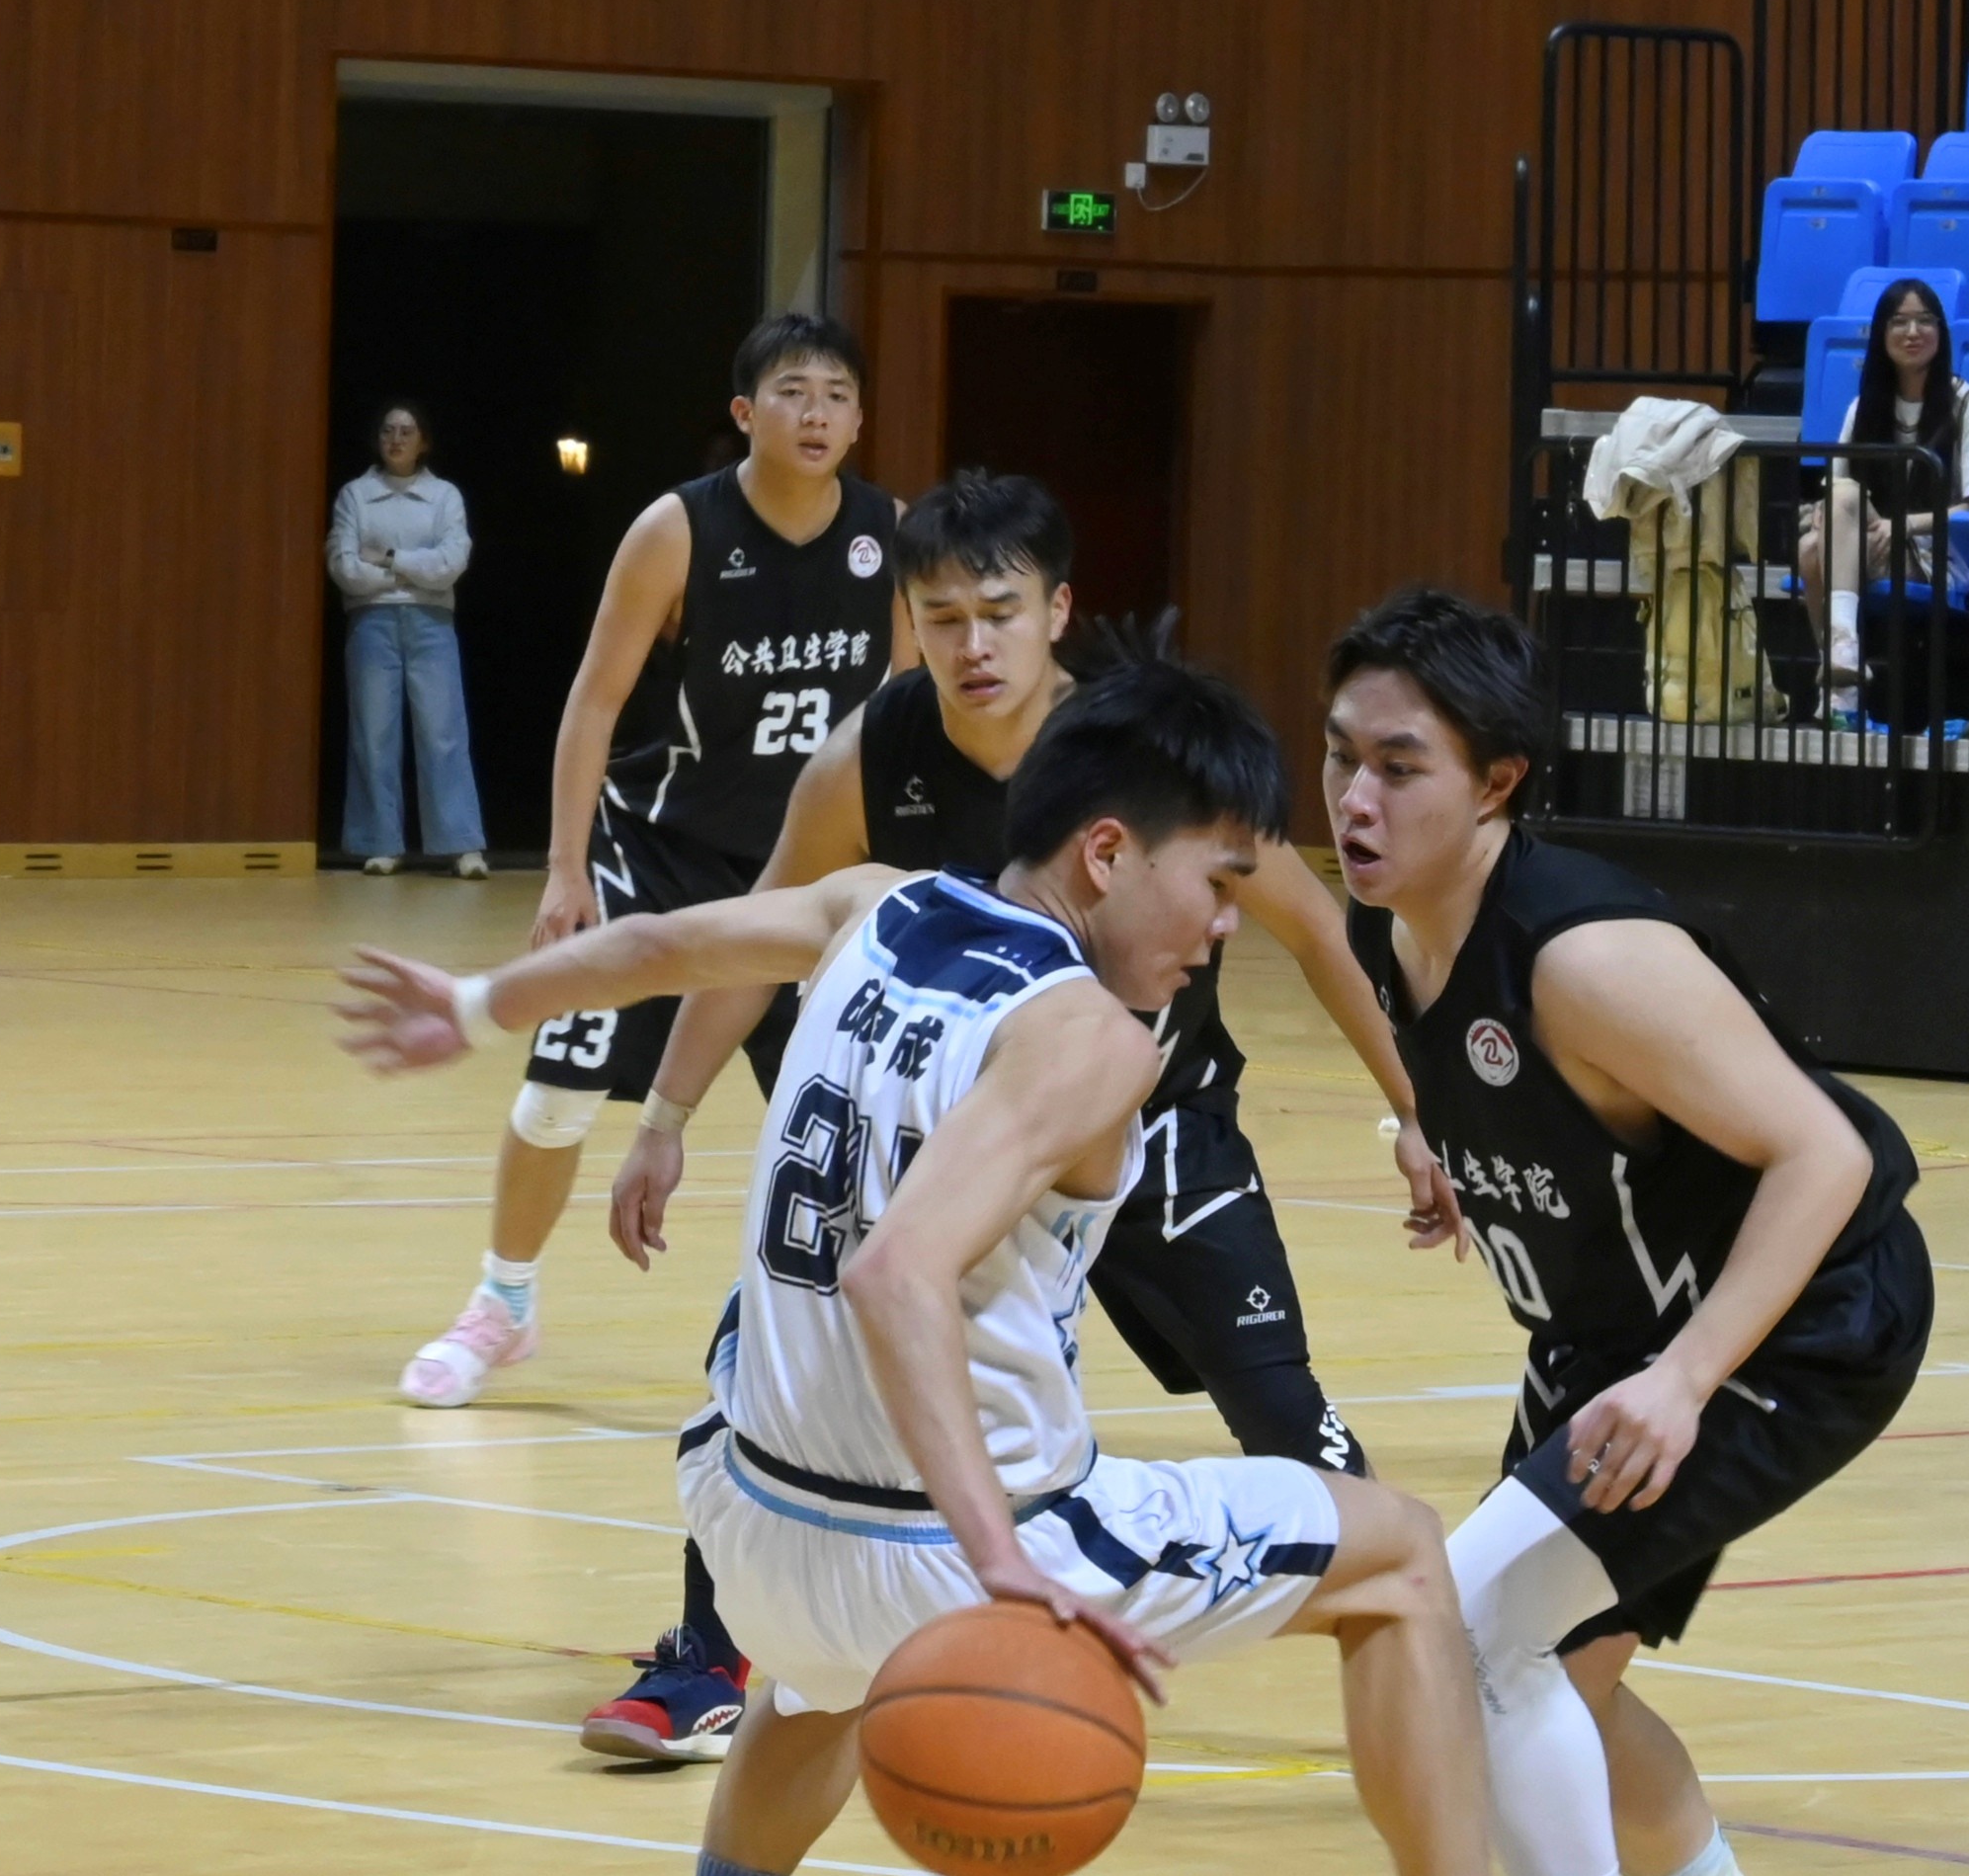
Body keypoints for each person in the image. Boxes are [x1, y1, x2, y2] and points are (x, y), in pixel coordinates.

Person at [338, 662, 1739, 1876]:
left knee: (812, 1687)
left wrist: (478, 1002)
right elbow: (896, 1272)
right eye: (1215, 882)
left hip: (751, 1523)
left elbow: (670, 943)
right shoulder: (1089, 1039)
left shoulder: (875, 904)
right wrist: (999, 1559)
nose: (1222, 927)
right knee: (1398, 1557)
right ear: (1108, 851)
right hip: (955, 1546)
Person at [580, 469, 1458, 1765]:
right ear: (907, 622)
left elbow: (1318, 933)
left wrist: (1415, 1108)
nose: (971, 644)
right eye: (941, 617)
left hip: (1153, 1125)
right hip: (966, 1130)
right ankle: (710, 1659)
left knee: (1286, 1415)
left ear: (1056, 612)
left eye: (997, 612)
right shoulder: (868, 757)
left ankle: (1429, 1664)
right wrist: (663, 1114)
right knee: (791, 1360)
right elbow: (758, 936)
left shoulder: (1146, 756)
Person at [1324, 588, 1922, 1876]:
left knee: (1468, 1630)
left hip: (1788, 1322)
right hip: (1611, 1338)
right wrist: (1445, 1145)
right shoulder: (1393, 929)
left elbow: (1823, 1155)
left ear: (1497, 784)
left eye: (1398, 766)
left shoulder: (1585, 955)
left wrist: (1686, 1377)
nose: (1353, 797)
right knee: (1551, 1668)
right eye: (1339, 756)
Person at [397, 311, 906, 1412]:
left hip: (805, 875)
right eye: (792, 392)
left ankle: (845, 1342)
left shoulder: (892, 540)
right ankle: (503, 1302)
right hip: (655, 850)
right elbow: (594, 701)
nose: (815, 413)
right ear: (745, 413)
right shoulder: (679, 530)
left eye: (836, 395)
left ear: (861, 420)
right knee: (562, 1087)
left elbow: (904, 719)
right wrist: (565, 868)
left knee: (845, 1124)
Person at [1795, 277, 1969, 710]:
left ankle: (1840, 685)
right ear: (1881, 334)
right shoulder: (1864, 407)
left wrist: (1900, 525)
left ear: (1941, 332)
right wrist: (1823, 514)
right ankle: (1843, 662)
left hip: (1937, 550)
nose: (1912, 332)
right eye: (1899, 322)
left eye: (1924, 321)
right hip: (1866, 540)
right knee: (1815, 538)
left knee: (1814, 550)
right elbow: (1839, 492)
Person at [326, 405, 485, 880]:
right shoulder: (356, 495)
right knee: (374, 734)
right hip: (371, 622)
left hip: (431, 622)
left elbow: (451, 563)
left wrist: (389, 558)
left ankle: (461, 844)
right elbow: (344, 567)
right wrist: (415, 570)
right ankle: (380, 843)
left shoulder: (444, 496)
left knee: (443, 732)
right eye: (387, 431)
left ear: (423, 442)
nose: (396, 439)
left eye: (406, 431)